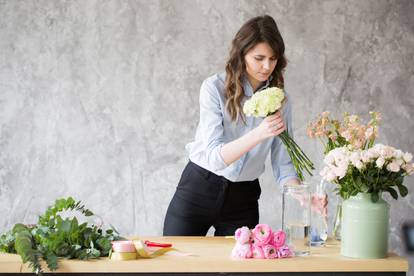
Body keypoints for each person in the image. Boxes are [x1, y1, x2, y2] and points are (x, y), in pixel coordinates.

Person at [163, 15, 319, 236]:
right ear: (242, 54)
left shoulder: (281, 100)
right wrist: (259, 134)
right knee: (176, 266)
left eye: (273, 59)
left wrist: (303, 196)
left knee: (237, 269)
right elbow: (215, 158)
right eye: (259, 58)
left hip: (243, 198)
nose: (267, 67)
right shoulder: (214, 88)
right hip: (199, 188)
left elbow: (284, 163)